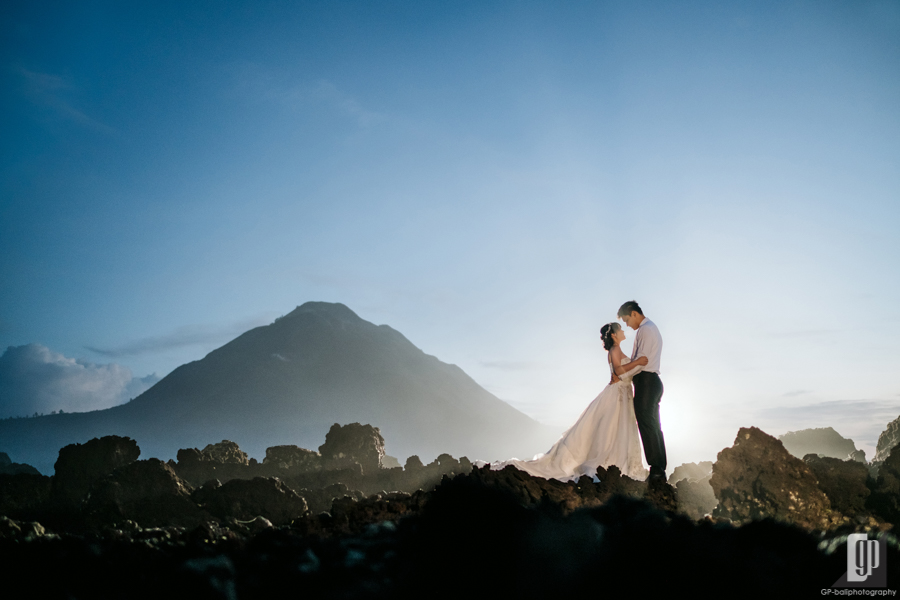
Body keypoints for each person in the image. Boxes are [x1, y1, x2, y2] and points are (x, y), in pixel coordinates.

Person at [481, 322, 649, 482]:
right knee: (612, 430)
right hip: (617, 394)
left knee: (618, 429)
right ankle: (609, 465)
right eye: (620, 330)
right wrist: (638, 362)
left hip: (623, 393)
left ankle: (620, 465)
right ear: (613, 335)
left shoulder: (617, 349)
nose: (623, 333)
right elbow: (619, 371)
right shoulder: (615, 349)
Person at [614, 300, 667, 482]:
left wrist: (622, 375)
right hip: (651, 382)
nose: (628, 325)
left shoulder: (646, 330)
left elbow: (641, 361)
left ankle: (657, 469)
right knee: (653, 425)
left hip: (646, 381)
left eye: (627, 320)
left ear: (634, 314)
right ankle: (659, 468)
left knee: (647, 424)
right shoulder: (650, 328)